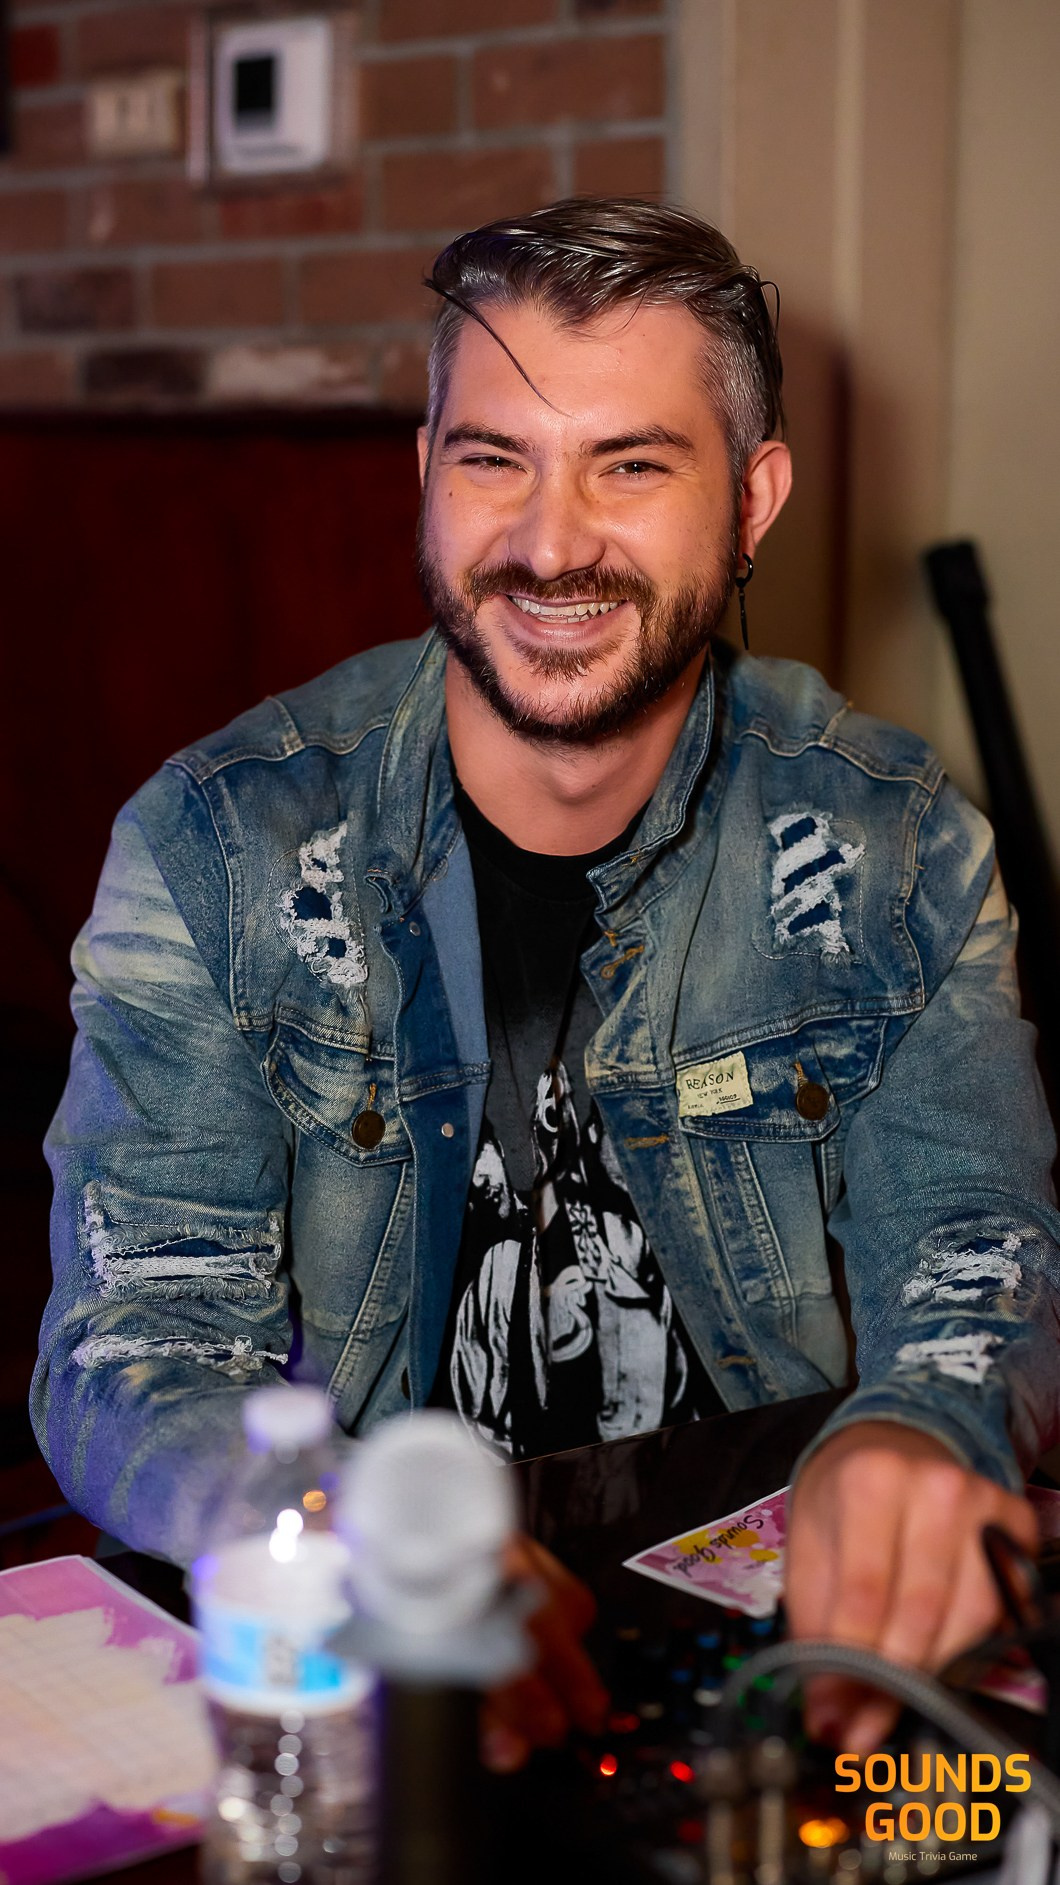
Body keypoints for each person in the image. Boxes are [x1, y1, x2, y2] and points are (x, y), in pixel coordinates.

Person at [33, 198, 1060, 1767]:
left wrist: (928, 1425)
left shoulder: (892, 846)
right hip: (363, 1675)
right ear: (425, 477)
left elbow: (981, 1262)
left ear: (753, 499)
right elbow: (131, 1344)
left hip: (759, 1673)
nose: (551, 541)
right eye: (494, 459)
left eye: (630, 466)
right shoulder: (218, 844)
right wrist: (330, 1522)